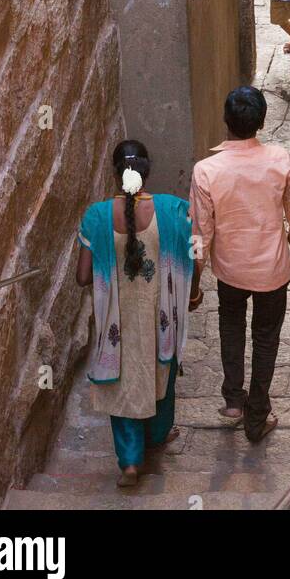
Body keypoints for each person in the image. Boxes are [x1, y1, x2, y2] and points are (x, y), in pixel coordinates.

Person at [189, 87, 290, 442]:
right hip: (271, 269)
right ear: (261, 122)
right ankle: (257, 415)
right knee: (266, 337)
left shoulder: (206, 171)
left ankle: (233, 399)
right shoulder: (279, 159)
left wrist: (195, 283)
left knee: (231, 326)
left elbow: (200, 232)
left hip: (230, 269)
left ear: (225, 121)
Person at [76, 140, 195, 488]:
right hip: (160, 318)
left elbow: (83, 277)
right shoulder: (173, 210)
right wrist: (195, 291)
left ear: (114, 173)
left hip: (117, 324)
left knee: (122, 381)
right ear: (147, 170)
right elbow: (195, 252)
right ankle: (156, 436)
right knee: (161, 371)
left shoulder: (96, 217)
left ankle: (129, 463)